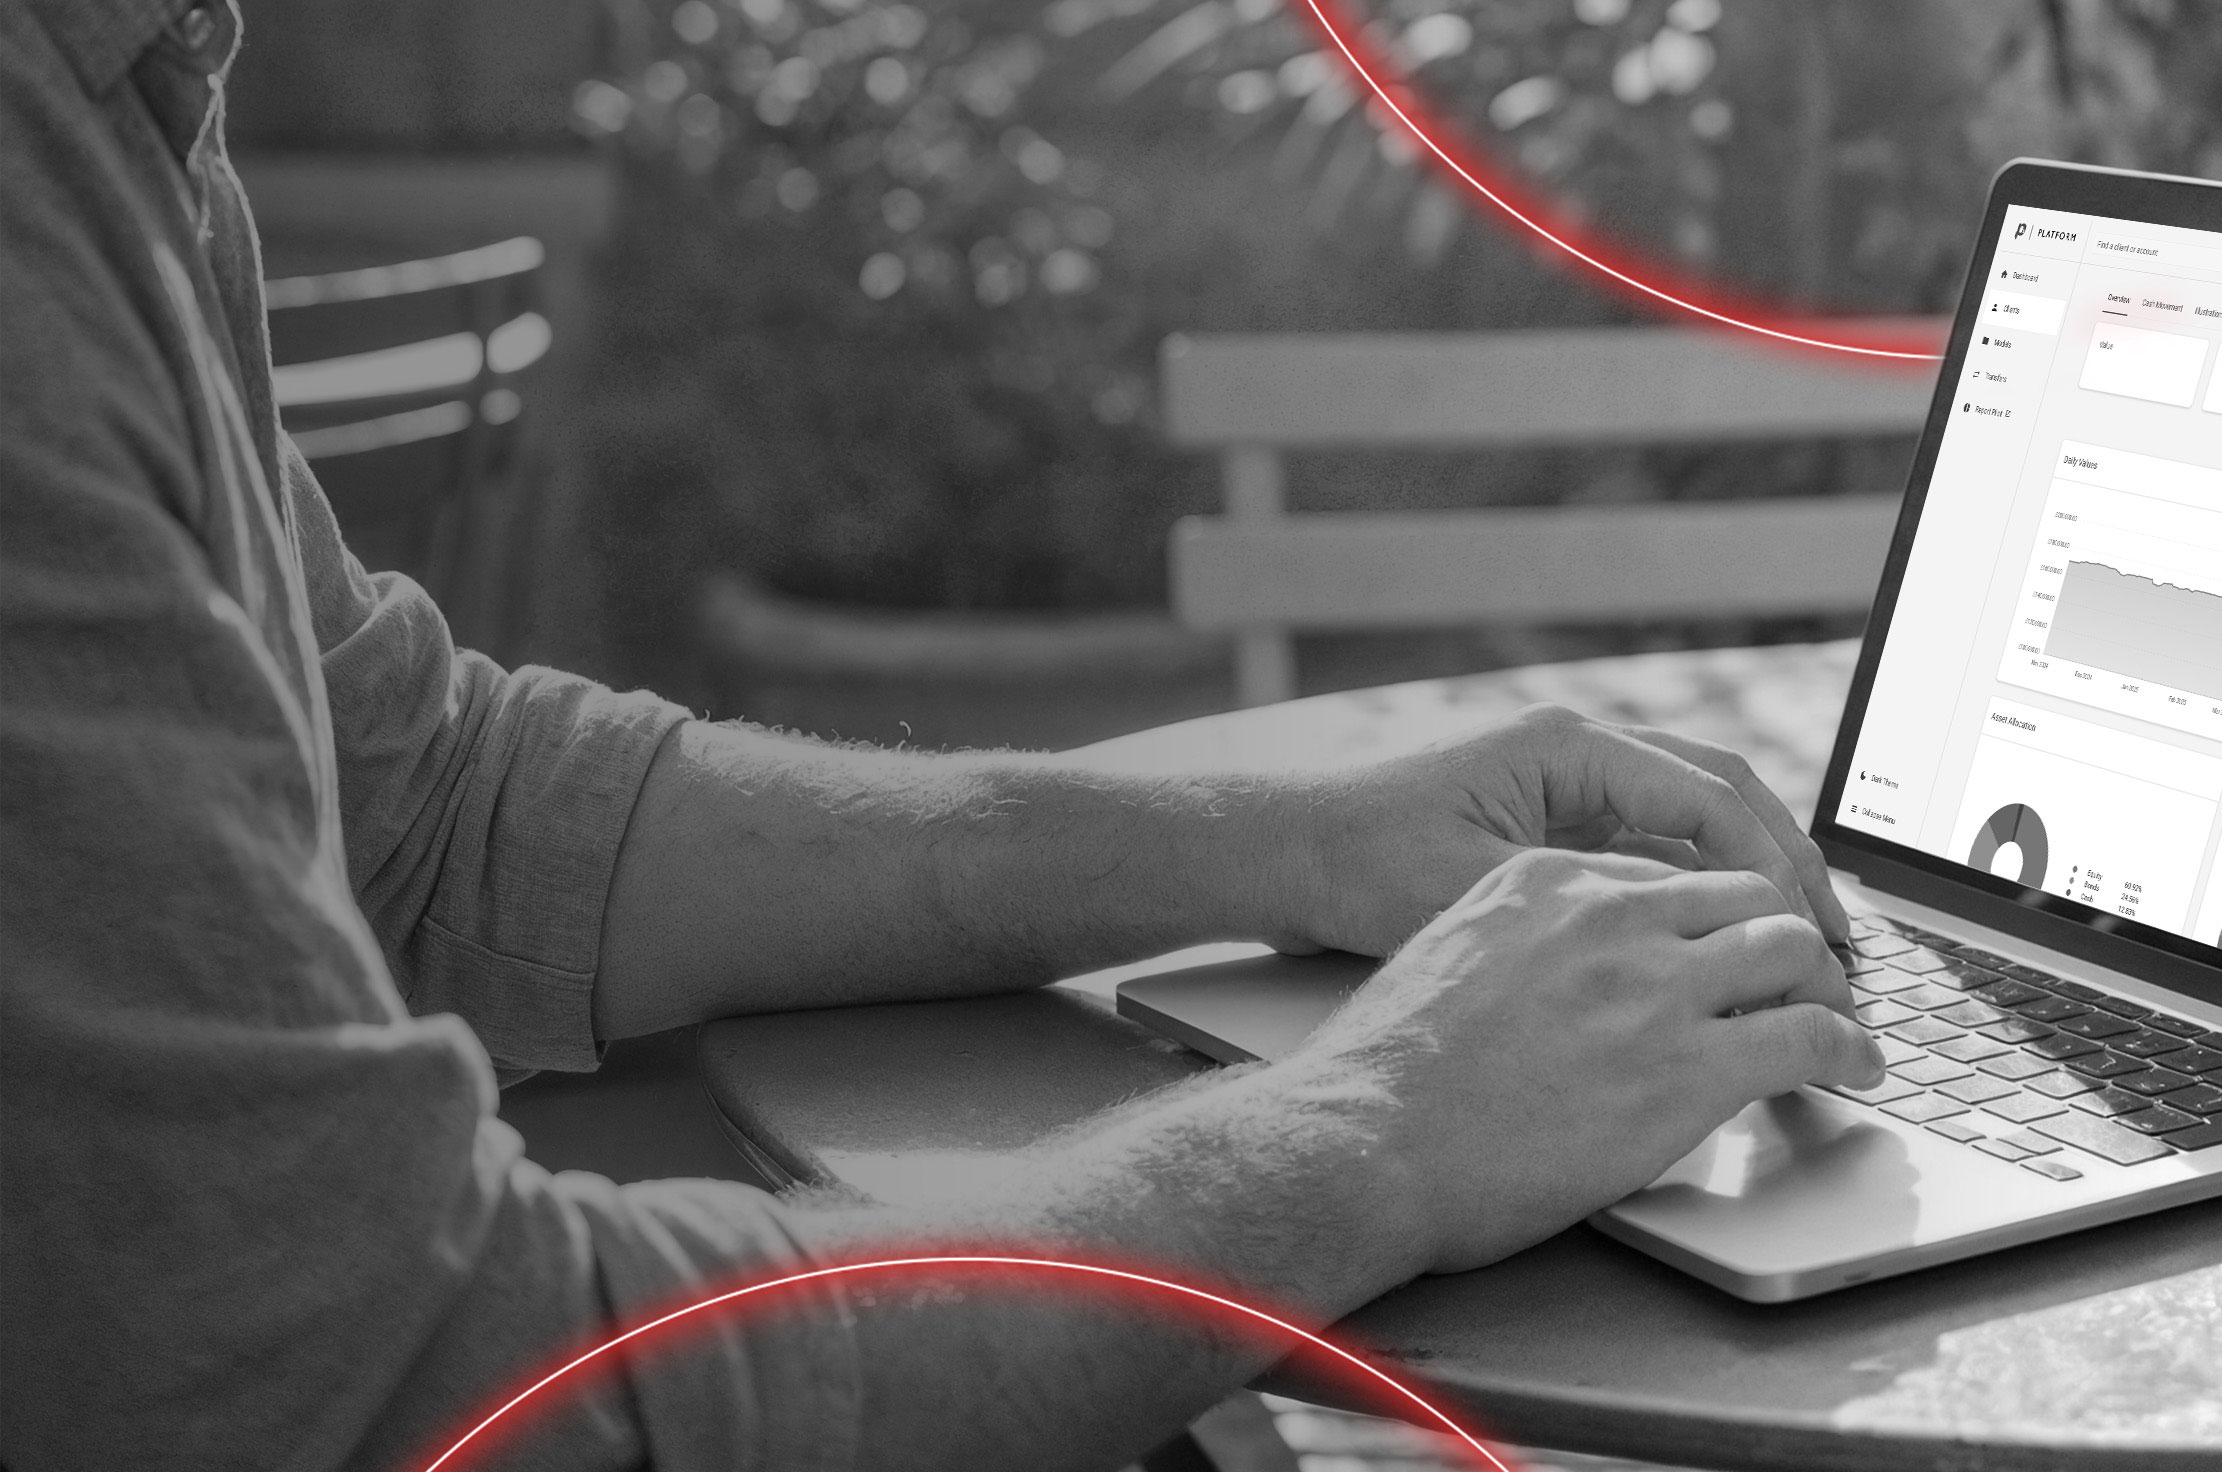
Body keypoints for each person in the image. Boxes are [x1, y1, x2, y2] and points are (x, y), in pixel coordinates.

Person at [0, 3, 1885, 1467]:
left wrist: (1265, 840)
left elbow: (438, 813)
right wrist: (1374, 1123)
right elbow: (413, 1391)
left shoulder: (109, 95)